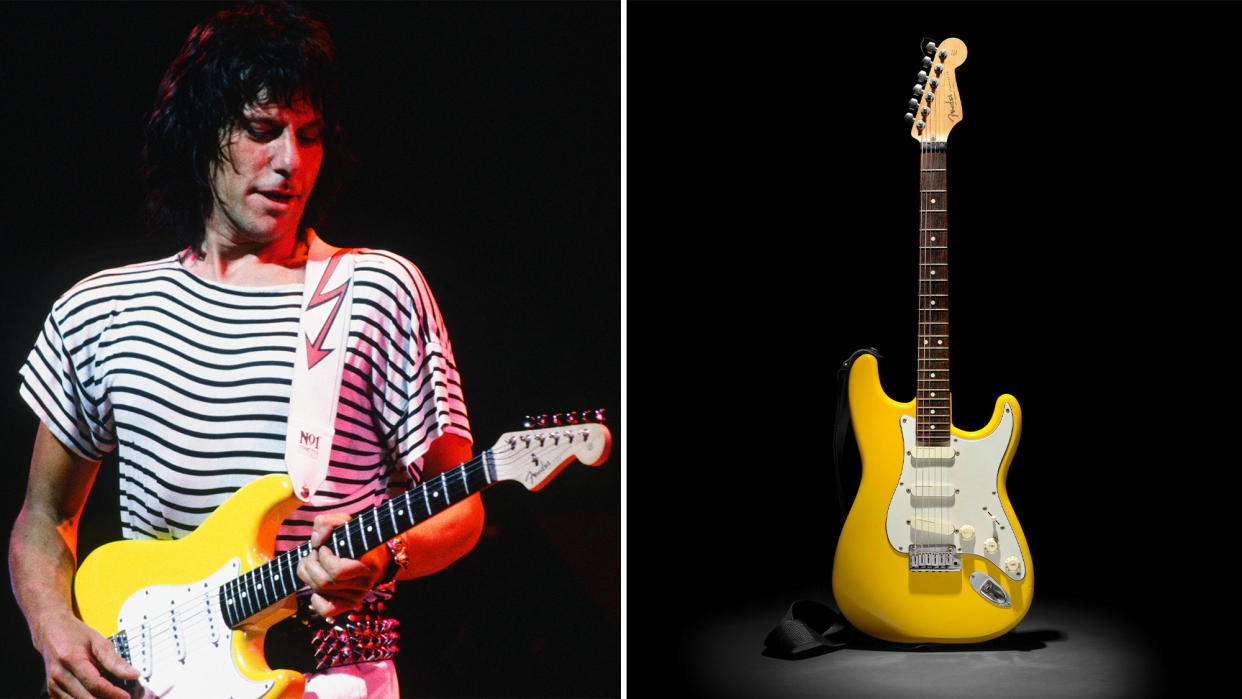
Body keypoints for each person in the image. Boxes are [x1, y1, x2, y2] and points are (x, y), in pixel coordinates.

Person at [7, 3, 485, 698]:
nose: (291, 162)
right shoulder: (100, 309)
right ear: (202, 133)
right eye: (263, 131)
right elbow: (44, 516)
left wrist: (387, 553)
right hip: (157, 681)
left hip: (328, 677)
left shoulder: (376, 289)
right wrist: (53, 625)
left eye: (310, 135)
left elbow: (462, 504)